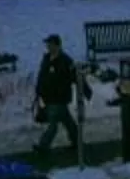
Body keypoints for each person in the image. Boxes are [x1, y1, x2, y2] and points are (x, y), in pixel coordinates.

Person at [31, 34, 90, 168]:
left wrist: (86, 90)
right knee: (67, 120)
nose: (48, 47)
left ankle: (43, 146)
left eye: (51, 44)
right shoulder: (46, 59)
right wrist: (39, 91)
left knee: (53, 123)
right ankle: (77, 142)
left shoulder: (65, 61)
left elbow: (76, 76)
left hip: (59, 97)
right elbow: (42, 76)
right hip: (49, 98)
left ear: (57, 45)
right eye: (47, 44)